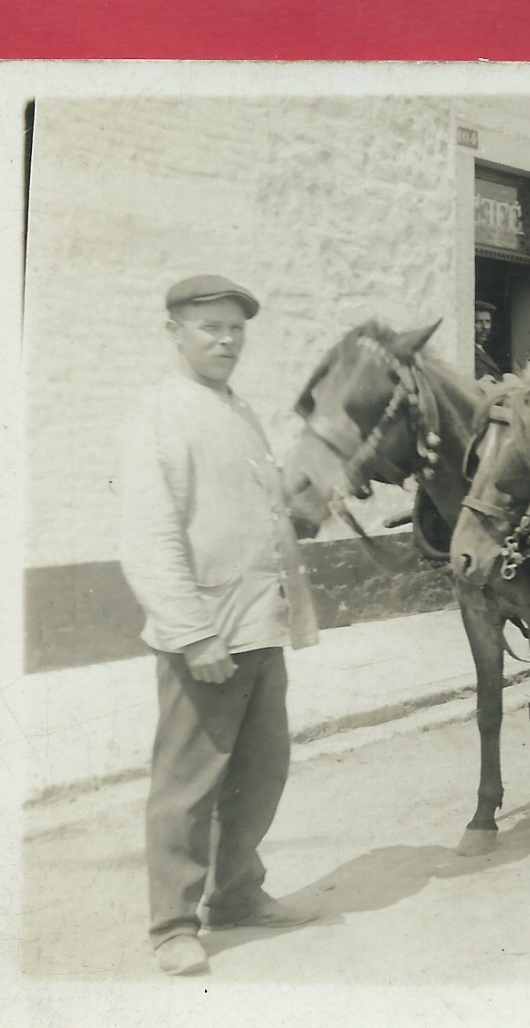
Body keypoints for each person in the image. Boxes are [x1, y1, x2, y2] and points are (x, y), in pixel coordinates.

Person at [118, 274, 322, 977]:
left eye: (236, 328)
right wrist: (192, 632)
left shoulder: (239, 410)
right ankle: (172, 923)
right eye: (211, 327)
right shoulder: (162, 412)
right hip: (205, 635)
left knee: (261, 771)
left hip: (259, 626)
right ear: (174, 330)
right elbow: (149, 534)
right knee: (187, 783)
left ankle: (235, 893)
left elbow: (256, 514)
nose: (227, 339)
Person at [473, 299, 506, 383]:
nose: (485, 327)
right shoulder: (469, 352)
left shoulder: (482, 351)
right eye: (478, 322)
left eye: (487, 322)